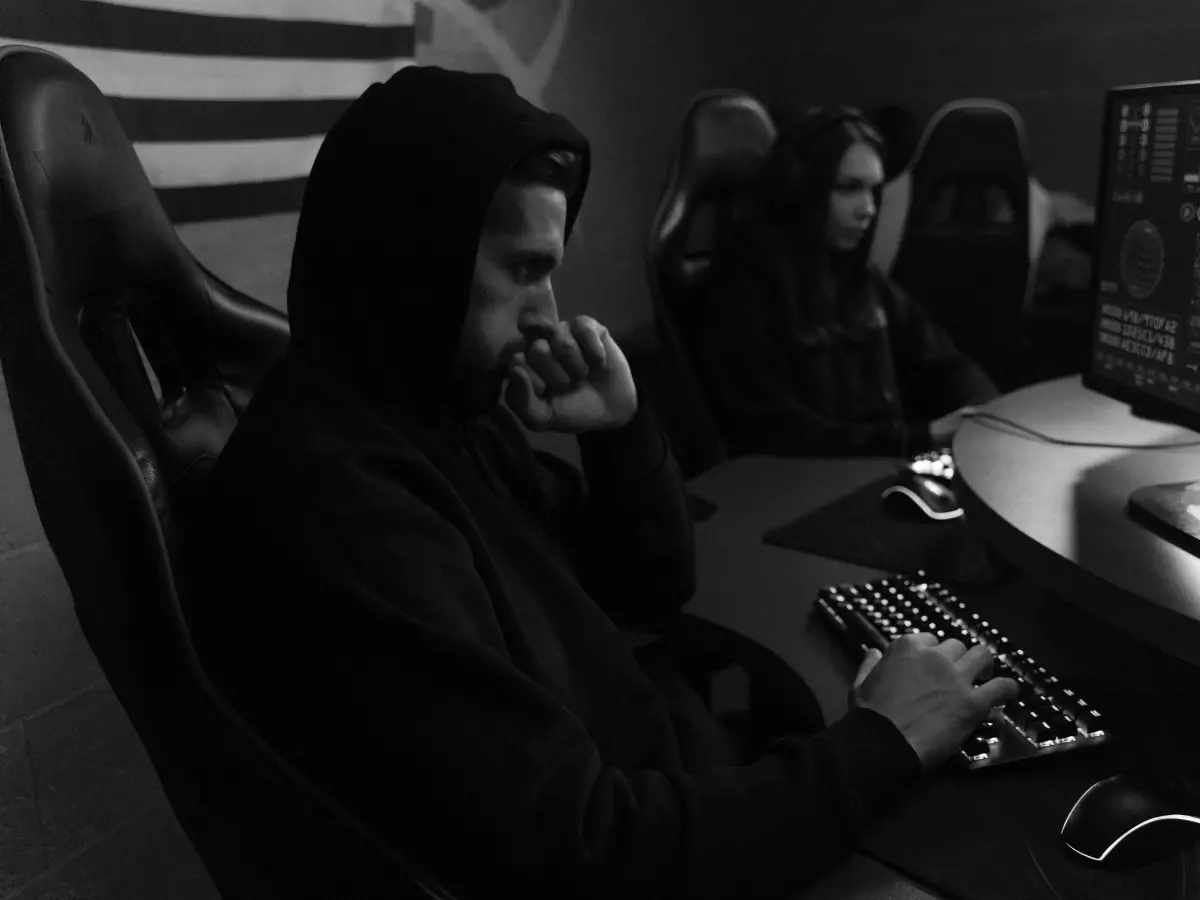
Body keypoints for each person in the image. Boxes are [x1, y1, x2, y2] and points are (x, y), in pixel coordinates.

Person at [184, 70, 1018, 900]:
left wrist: (619, 432)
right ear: (414, 261)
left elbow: (644, 587)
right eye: (523, 268)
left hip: (683, 792)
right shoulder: (347, 505)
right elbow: (592, 853)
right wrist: (883, 741)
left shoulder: (439, 418)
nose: (550, 311)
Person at [695, 106, 1000, 458]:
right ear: (800, 190)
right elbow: (776, 430)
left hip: (870, 469)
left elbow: (942, 358)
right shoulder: (745, 287)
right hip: (805, 487)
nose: (868, 209)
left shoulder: (858, 279)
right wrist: (921, 437)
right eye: (849, 188)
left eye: (873, 190)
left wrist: (984, 410)